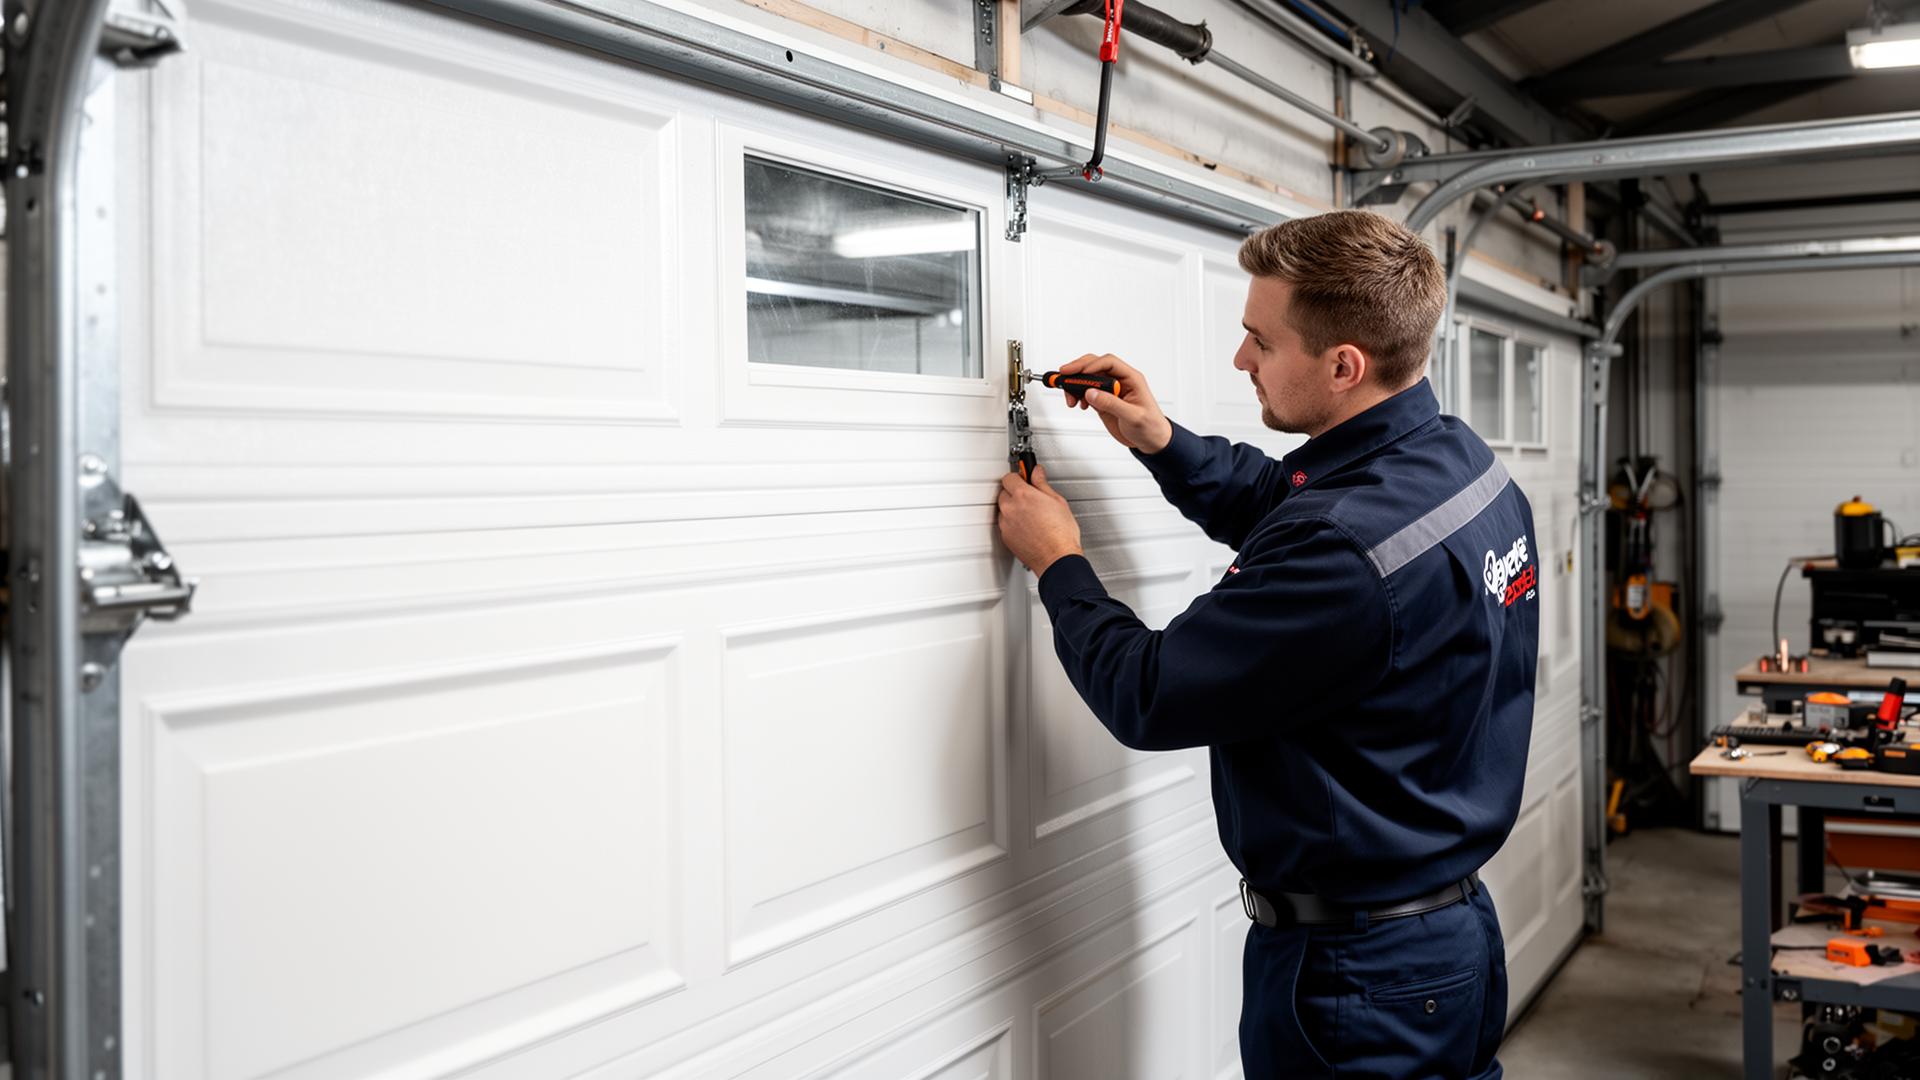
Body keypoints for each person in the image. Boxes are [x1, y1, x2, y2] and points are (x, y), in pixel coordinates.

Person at [995, 209, 1538, 1080]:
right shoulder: (1461, 464)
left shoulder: (1346, 553)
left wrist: (1058, 563)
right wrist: (1163, 442)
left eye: (1261, 340)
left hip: (1360, 981)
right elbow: (1296, 508)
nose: (1240, 359)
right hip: (1449, 940)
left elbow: (1151, 692)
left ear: (1344, 365)